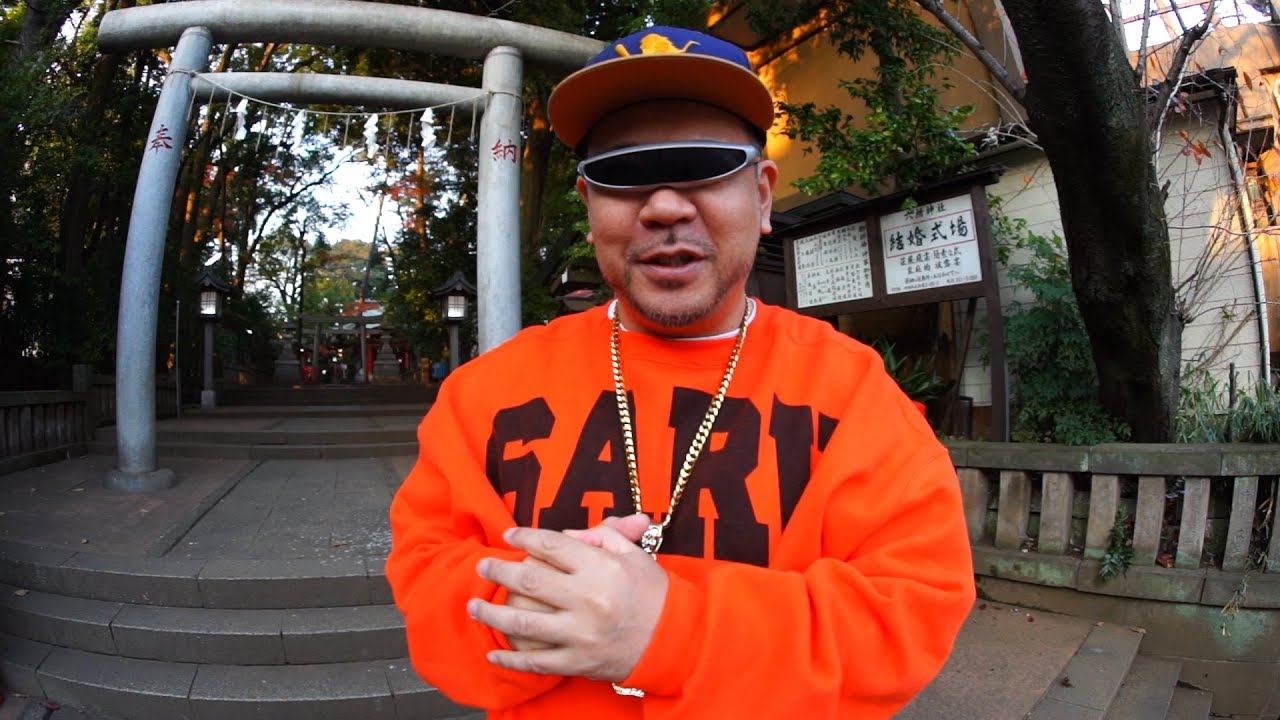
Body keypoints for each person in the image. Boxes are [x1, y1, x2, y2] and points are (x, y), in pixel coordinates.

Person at [386, 25, 975, 719]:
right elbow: (426, 572)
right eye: (624, 173)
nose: (665, 206)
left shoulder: (853, 392)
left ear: (762, 196)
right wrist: (538, 608)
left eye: (704, 164)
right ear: (588, 205)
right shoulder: (485, 393)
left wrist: (672, 629)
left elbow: (910, 609)